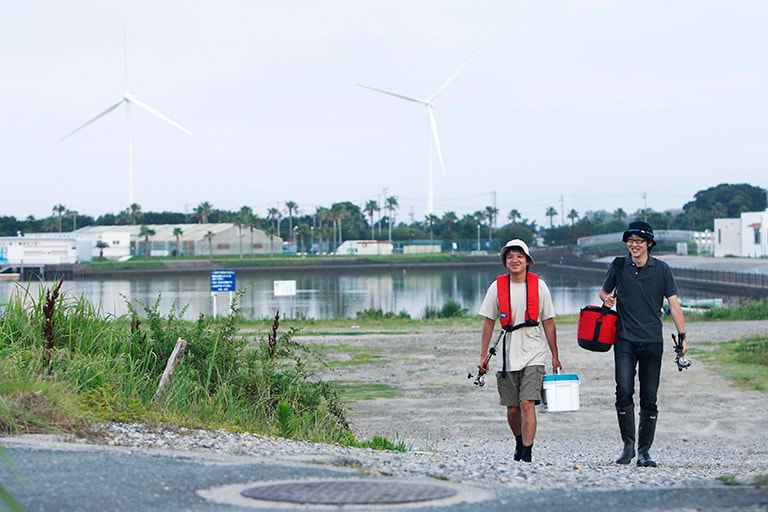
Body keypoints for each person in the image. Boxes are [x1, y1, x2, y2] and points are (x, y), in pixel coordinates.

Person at [599, 221, 688, 467]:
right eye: (630, 240)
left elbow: (674, 305)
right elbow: (603, 291)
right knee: (624, 390)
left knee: (649, 396)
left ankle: (644, 451)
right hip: (624, 339)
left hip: (652, 340)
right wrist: (607, 299)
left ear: (649, 244)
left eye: (639, 241)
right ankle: (628, 445)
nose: (634, 245)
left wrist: (682, 337)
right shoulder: (619, 265)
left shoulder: (662, 269)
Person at [478, 239, 562, 463]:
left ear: (527, 261)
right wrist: (483, 355)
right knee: (513, 409)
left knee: (527, 403)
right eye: (510, 257)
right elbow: (488, 321)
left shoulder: (540, 286)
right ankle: (518, 440)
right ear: (505, 262)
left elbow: (549, 322)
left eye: (519, 256)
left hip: (534, 352)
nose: (515, 260)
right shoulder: (496, 287)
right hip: (507, 356)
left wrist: (555, 356)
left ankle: (527, 451)